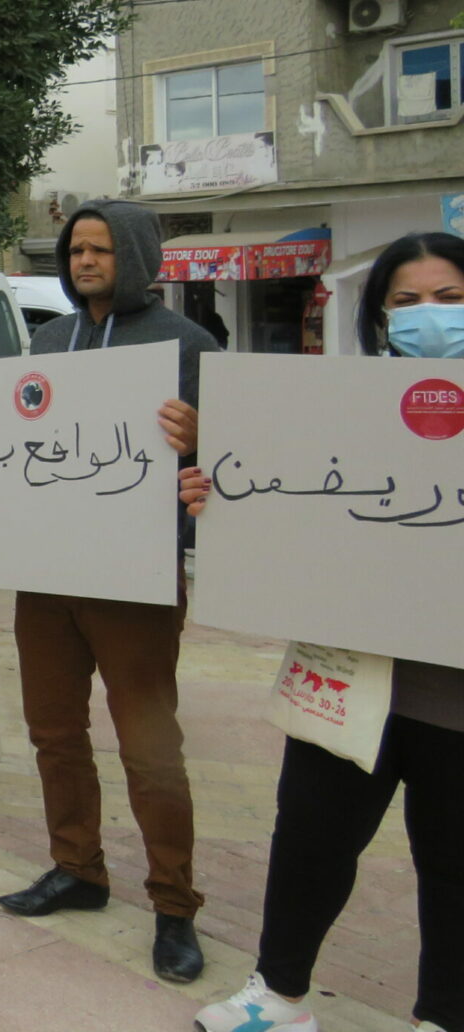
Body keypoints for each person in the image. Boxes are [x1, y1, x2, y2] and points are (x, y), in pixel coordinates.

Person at [194, 231, 464, 1032]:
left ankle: (443, 1016)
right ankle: (278, 996)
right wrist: (224, 496)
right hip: (349, 676)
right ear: (379, 316)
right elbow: (279, 499)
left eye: (449, 299)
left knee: (452, 868)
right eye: (407, 302)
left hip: (455, 699)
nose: (430, 319)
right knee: (309, 841)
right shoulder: (335, 405)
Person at [0, 199, 216, 986]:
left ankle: (175, 904)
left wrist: (204, 440)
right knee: (54, 732)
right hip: (49, 577)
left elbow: (232, 468)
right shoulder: (49, 340)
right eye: (75, 249)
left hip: (137, 582)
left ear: (134, 254)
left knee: (152, 751)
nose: (85, 262)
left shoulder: (188, 344)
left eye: (100, 249)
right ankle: (77, 869)